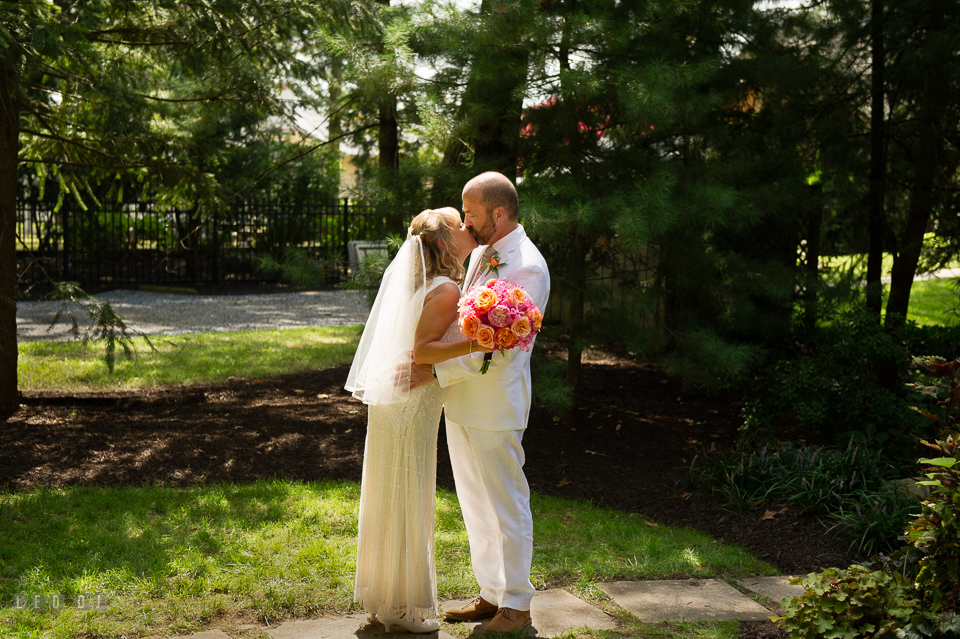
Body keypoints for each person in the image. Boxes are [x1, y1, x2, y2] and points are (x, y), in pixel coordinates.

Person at [414, 172, 551, 634]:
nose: (465, 224)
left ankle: (517, 604)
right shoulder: (479, 254)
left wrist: (432, 368)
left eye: (470, 214)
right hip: (463, 401)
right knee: (475, 503)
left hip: (495, 404)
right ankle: (492, 593)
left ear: (498, 213)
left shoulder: (527, 266)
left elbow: (502, 347)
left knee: (506, 504)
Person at [345, 207, 480, 633]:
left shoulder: (415, 283)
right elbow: (423, 351)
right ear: (444, 243)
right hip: (413, 402)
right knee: (408, 494)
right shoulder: (443, 289)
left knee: (390, 492)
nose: (467, 228)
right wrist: (478, 340)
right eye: (459, 226)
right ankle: (403, 608)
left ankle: (383, 599)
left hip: (396, 401)